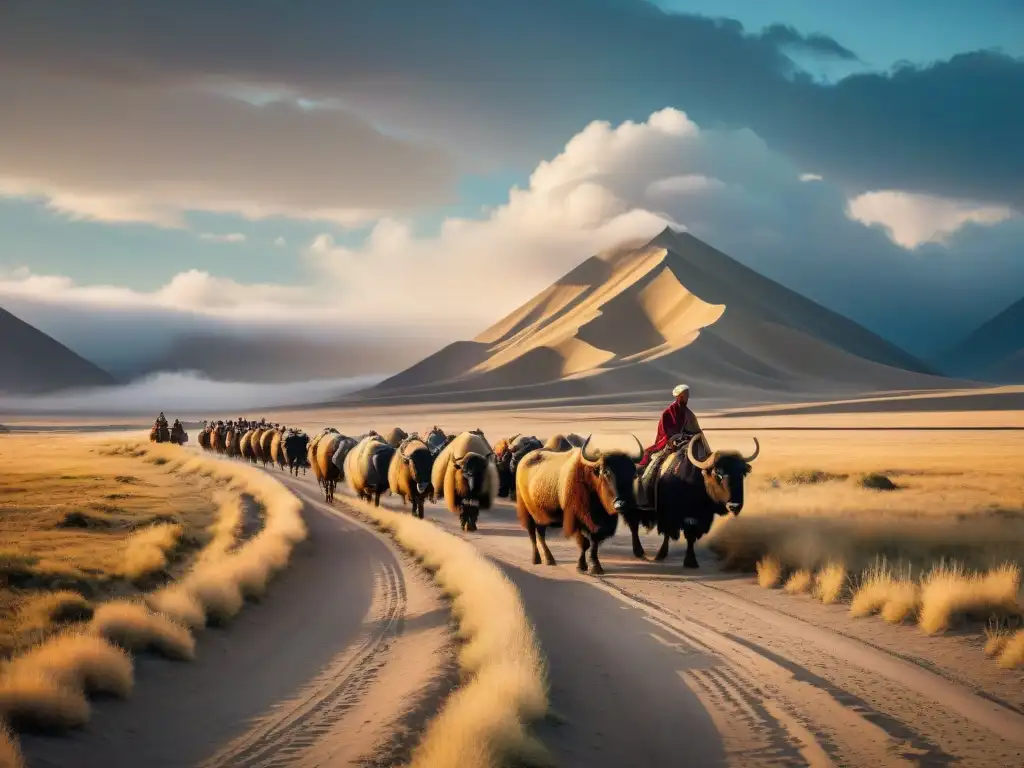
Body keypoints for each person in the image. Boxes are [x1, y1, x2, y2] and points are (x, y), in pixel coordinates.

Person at [637, 384, 709, 470]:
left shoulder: (689, 414)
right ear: (679, 396)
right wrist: (677, 438)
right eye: (685, 395)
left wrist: (693, 437)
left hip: (688, 441)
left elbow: (696, 431)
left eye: (687, 395)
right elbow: (664, 432)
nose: (687, 397)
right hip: (671, 441)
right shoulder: (668, 413)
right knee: (654, 458)